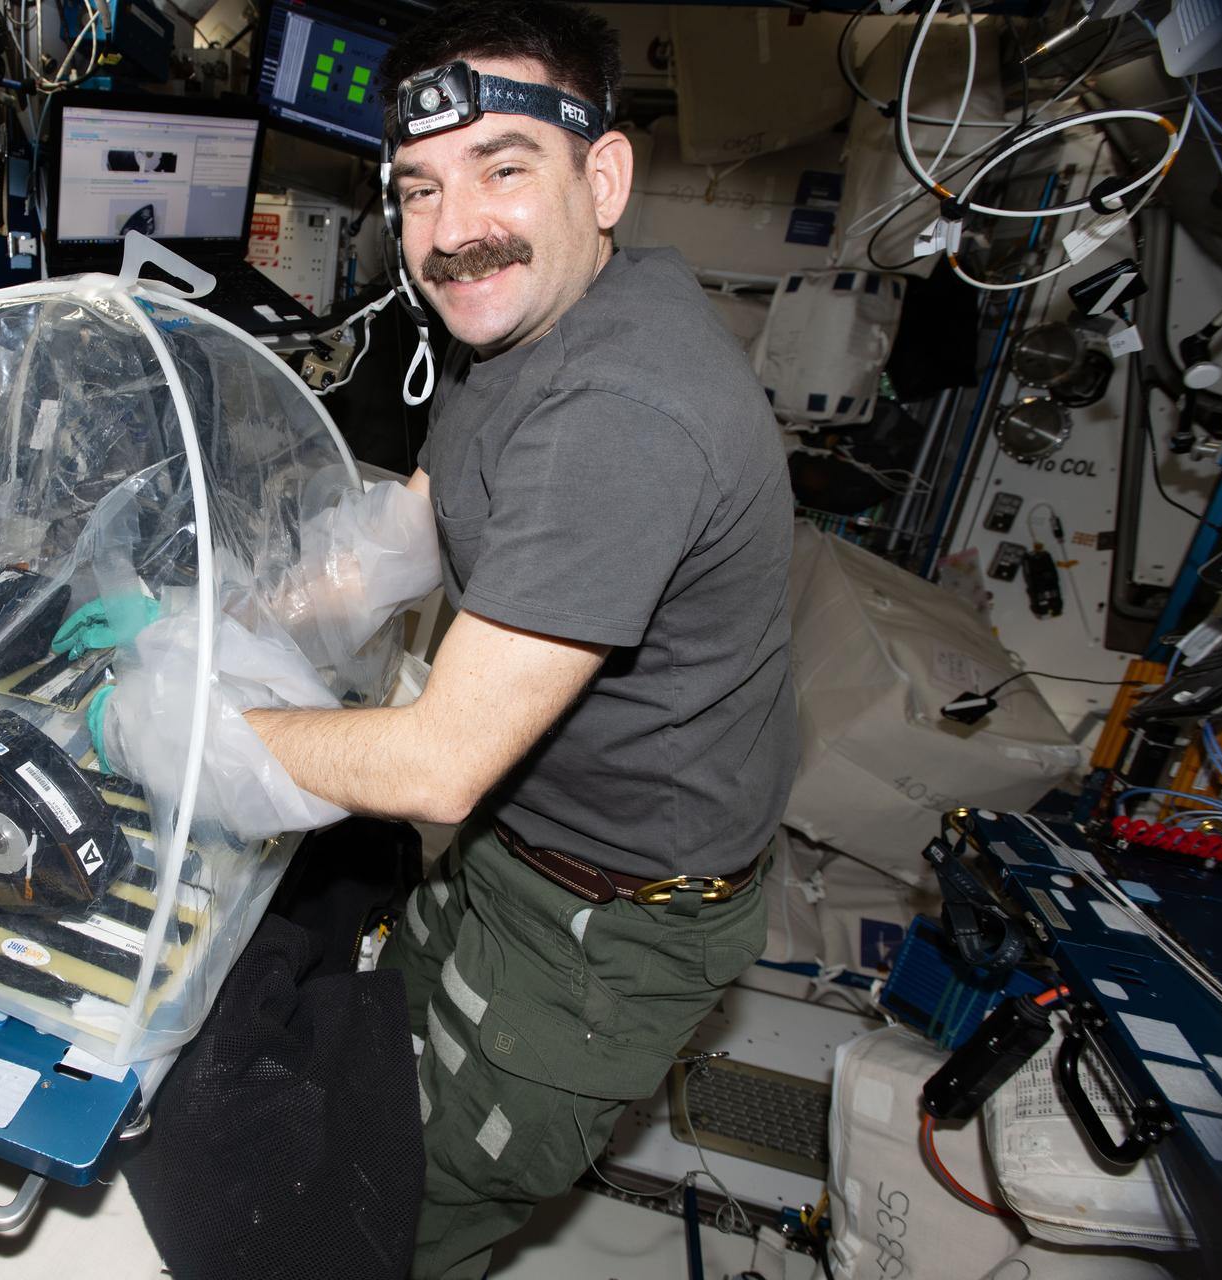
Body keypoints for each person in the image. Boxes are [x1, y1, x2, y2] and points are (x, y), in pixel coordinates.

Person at [234, 2, 799, 1274]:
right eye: (421, 188)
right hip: (521, 846)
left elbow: (438, 764)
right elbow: (424, 525)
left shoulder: (622, 413)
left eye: (504, 169)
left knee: (389, 1217)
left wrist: (172, 722)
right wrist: (222, 614)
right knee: (375, 1043)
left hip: (611, 926)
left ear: (602, 177)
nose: (453, 231)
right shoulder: (547, 317)